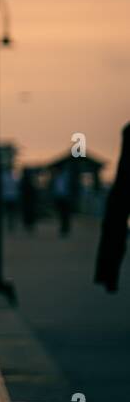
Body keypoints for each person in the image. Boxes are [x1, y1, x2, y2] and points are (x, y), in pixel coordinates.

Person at [94, 122, 130, 292]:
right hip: (123, 186)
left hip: (122, 187)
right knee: (114, 232)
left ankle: (108, 275)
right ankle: (108, 275)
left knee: (113, 232)